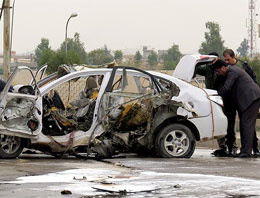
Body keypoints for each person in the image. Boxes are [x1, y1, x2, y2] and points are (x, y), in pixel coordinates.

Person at [213, 59, 260, 158]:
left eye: (218, 71)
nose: (218, 73)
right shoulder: (231, 71)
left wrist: (215, 95)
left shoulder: (232, 71)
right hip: (247, 99)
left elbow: (226, 87)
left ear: (223, 67)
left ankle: (246, 152)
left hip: (251, 98)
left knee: (246, 125)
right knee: (245, 125)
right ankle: (245, 150)